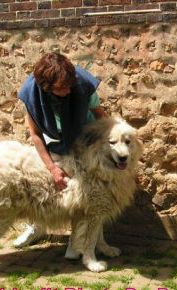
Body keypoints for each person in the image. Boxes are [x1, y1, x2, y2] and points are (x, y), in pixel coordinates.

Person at [13, 52, 107, 250]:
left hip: (85, 138)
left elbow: (101, 118)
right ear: (46, 87)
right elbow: (36, 134)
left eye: (68, 86)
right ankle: (37, 227)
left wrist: (107, 149)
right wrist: (52, 169)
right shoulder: (32, 95)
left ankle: (81, 238)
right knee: (45, 185)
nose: (66, 91)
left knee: (87, 190)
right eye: (60, 88)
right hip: (54, 139)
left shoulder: (82, 86)